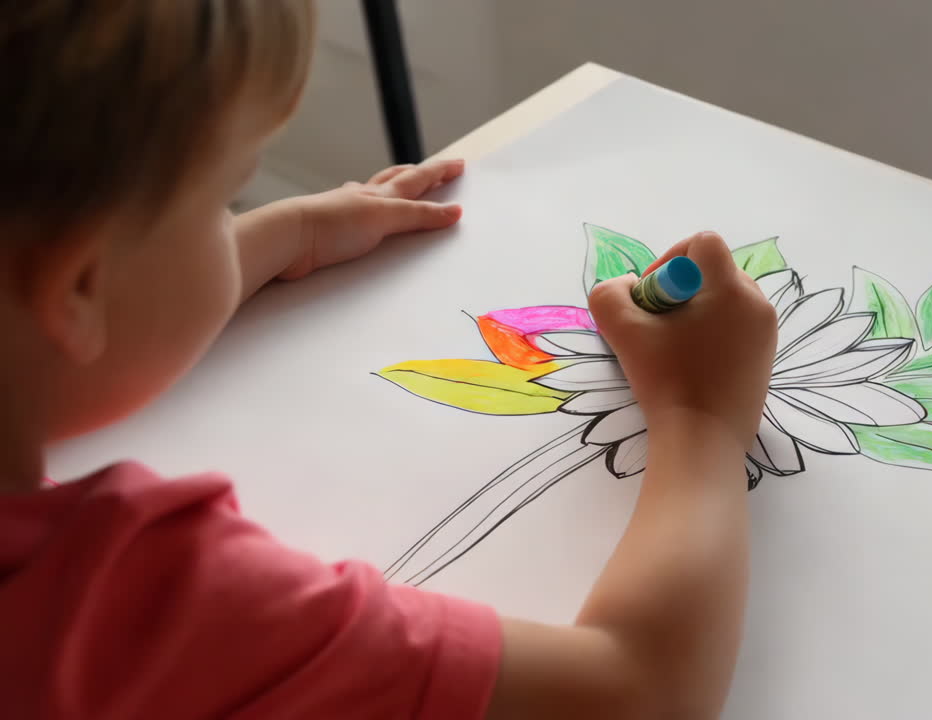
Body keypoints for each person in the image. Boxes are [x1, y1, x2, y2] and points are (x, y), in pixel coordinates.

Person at [0, 3, 778, 718]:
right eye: (223, 202)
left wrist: (282, 234)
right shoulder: (133, 607)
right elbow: (636, 694)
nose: (238, 218)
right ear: (78, 285)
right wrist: (702, 418)